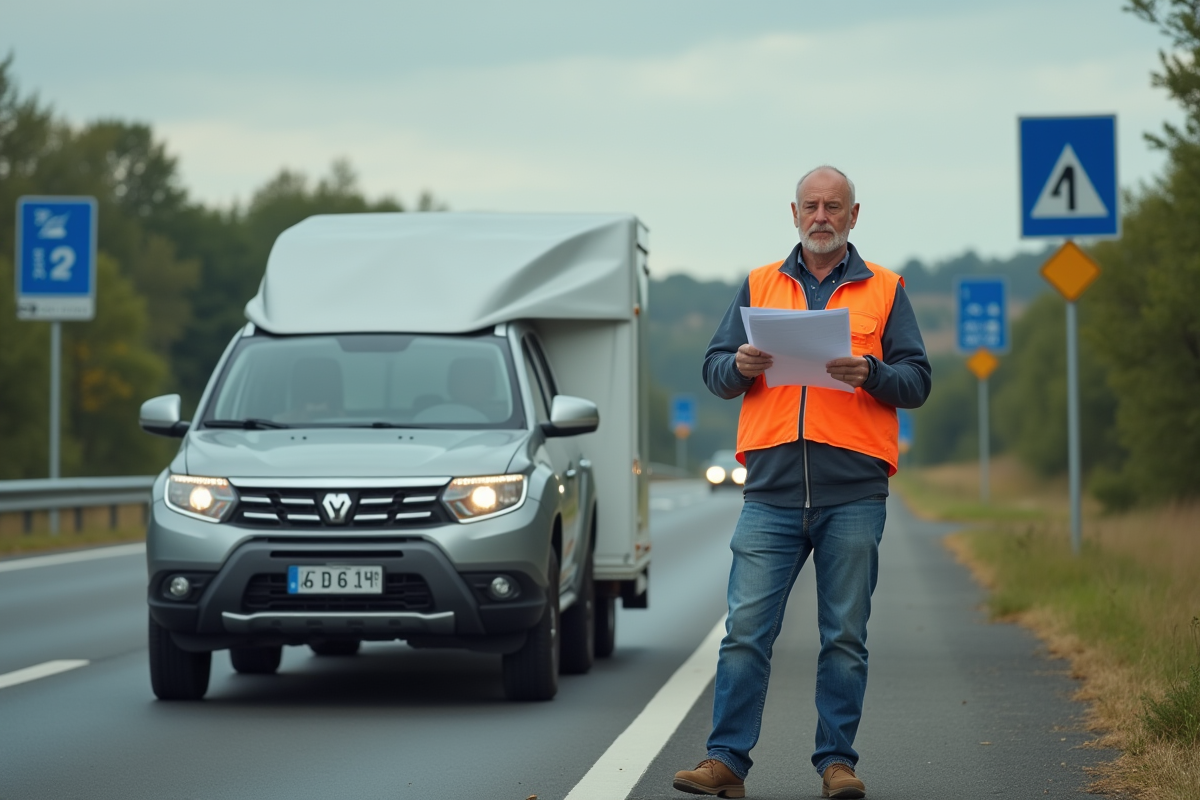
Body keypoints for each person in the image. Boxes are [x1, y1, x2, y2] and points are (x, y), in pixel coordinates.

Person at [673, 167, 931, 799]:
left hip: (854, 492)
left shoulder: (886, 289)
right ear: (793, 214)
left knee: (844, 638)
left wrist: (872, 372)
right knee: (745, 634)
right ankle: (725, 762)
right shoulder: (760, 284)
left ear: (853, 215)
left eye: (833, 206)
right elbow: (713, 371)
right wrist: (737, 365)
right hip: (771, 491)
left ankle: (837, 764)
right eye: (811, 206)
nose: (821, 216)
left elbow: (917, 381)